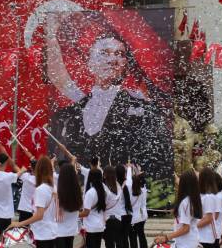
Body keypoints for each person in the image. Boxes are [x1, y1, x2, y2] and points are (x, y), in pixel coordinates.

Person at [46, 11, 173, 177]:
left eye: (119, 54)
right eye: (104, 53)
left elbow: (155, 159)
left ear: (125, 64)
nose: (112, 60)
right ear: (89, 63)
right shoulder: (67, 116)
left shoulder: (144, 109)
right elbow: (59, 76)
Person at [9, 156, 57, 248]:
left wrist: (19, 224)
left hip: (43, 232)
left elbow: (39, 215)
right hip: (50, 231)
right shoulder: (52, 187)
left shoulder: (41, 190)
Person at [155, 169, 201, 248]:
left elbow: (186, 228)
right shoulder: (192, 198)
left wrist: (166, 237)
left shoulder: (185, 202)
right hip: (188, 243)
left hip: (185, 244)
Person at [55, 163, 83, 248]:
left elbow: (55, 215)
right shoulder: (77, 192)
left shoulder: (59, 193)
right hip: (71, 230)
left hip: (59, 232)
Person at [80, 168, 107, 248]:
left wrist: (74, 214)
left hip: (91, 227)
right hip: (100, 225)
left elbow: (85, 212)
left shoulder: (90, 193)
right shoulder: (103, 191)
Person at [196, 167, 221, 248]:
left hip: (208, 237)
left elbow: (209, 218)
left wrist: (192, 226)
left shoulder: (209, 197)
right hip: (202, 236)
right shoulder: (203, 196)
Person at [100, 165, 124, 248]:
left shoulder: (104, 188)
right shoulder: (118, 186)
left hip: (108, 220)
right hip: (118, 220)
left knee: (109, 246)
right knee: (111, 245)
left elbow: (103, 205)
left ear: (105, 175)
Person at [114, 164, 132, 248]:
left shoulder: (115, 185)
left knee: (119, 240)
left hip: (120, 215)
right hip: (128, 214)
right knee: (125, 239)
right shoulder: (128, 183)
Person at [128, 171, 148, 248]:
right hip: (141, 216)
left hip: (133, 218)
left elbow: (129, 205)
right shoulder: (142, 190)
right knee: (140, 234)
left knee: (133, 239)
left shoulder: (132, 193)